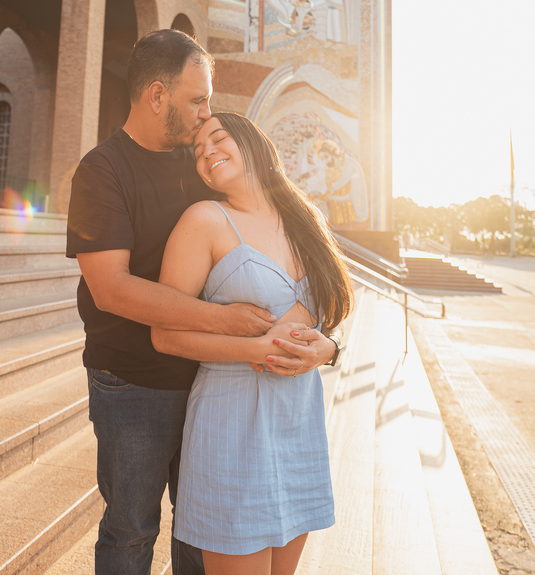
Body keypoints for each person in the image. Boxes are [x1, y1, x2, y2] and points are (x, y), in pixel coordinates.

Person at [66, 29, 339, 575]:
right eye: (198, 100)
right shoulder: (102, 171)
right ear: (158, 96)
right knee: (131, 529)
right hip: (133, 382)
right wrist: (232, 325)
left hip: (209, 379)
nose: (206, 116)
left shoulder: (198, 164)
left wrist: (321, 344)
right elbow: (111, 288)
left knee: (201, 531)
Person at [151, 112, 353, 575]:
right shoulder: (204, 219)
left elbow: (334, 309)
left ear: (254, 144)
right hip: (232, 424)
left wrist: (329, 350)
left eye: (217, 139)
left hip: (298, 422)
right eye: (198, 152)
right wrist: (251, 350)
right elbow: (164, 334)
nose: (206, 154)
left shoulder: (305, 219)